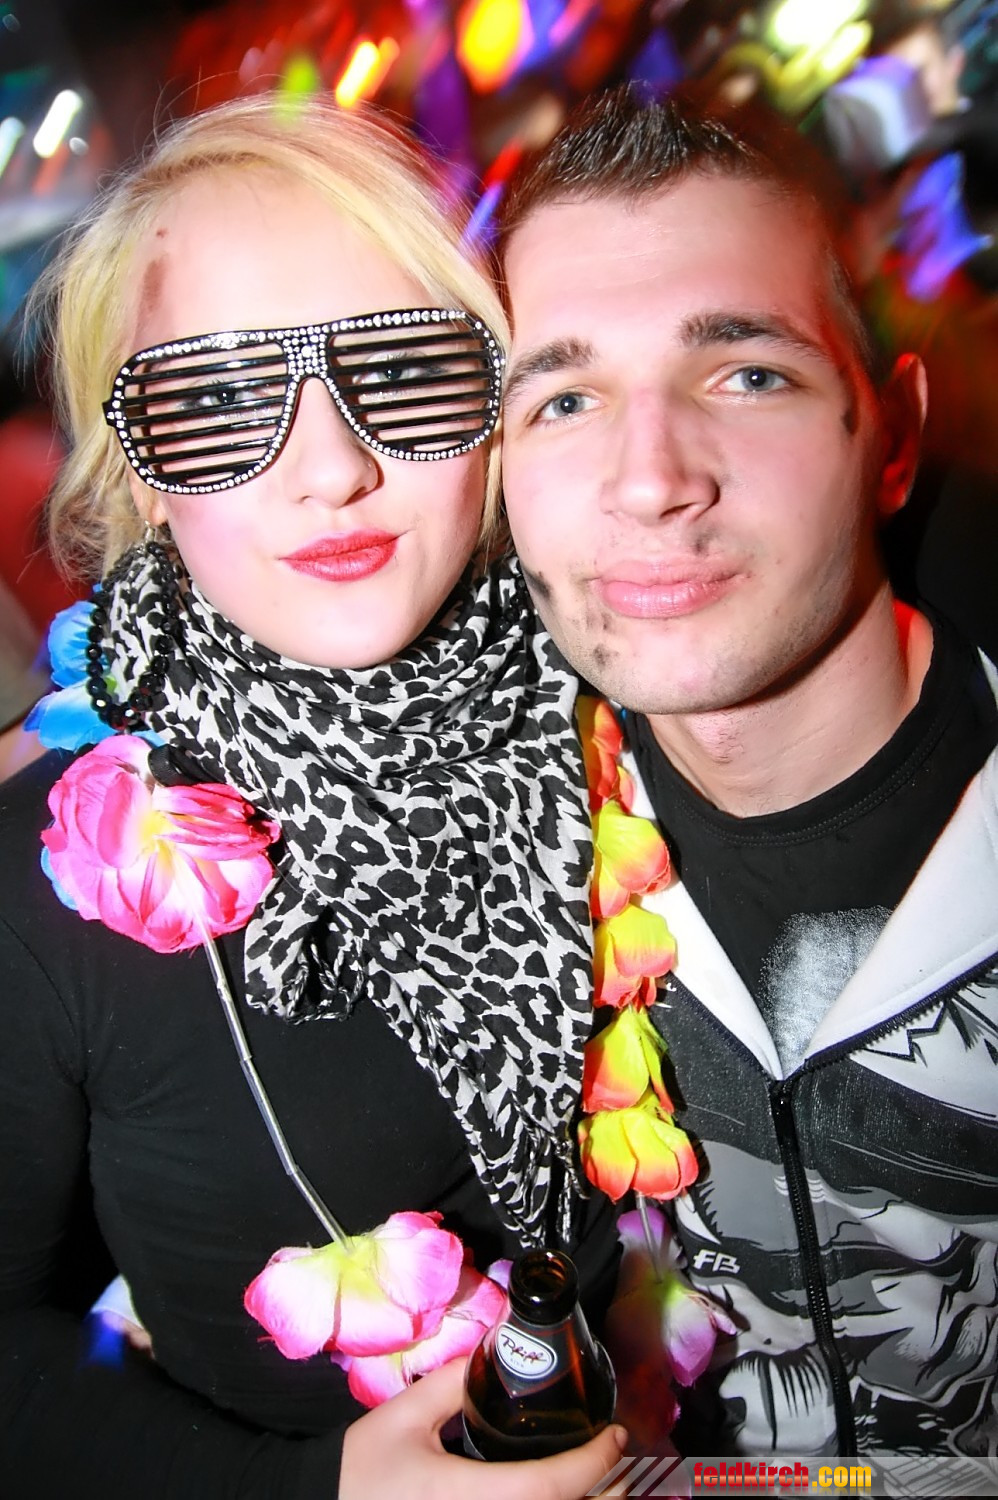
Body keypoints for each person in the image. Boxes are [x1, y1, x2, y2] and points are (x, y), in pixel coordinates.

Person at [0, 95, 626, 1499]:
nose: (334, 467)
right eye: (216, 400)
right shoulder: (40, 898)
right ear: (140, 471)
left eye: (403, 372)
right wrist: (305, 1489)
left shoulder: (639, 706)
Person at [498, 87, 998, 1459]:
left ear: (891, 436)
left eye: (747, 375)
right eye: (564, 399)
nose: (650, 479)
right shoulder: (491, 863)